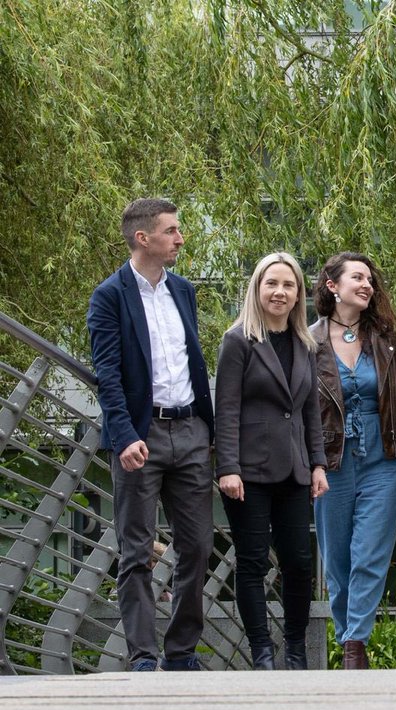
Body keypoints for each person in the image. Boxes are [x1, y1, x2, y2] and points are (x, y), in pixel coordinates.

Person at [87, 198, 214, 671]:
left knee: (198, 545)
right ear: (144, 238)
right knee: (136, 551)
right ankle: (143, 655)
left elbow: (190, 362)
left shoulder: (182, 289)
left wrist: (208, 429)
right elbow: (108, 374)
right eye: (172, 230)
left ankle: (180, 653)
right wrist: (123, 436)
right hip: (143, 435)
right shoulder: (110, 295)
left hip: (192, 431)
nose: (180, 238)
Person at [215, 252, 328, 670]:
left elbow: (310, 410)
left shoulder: (306, 344)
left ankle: (295, 651)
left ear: (299, 293)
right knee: (252, 560)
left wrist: (318, 463)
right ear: (257, 289)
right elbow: (225, 408)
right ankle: (262, 652)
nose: (280, 292)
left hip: (296, 470)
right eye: (271, 284)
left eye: (288, 285)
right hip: (247, 472)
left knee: (299, 562)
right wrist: (227, 467)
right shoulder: (238, 340)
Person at [311, 251, 396, 670]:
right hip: (330, 457)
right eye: (357, 277)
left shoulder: (387, 339)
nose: (367, 285)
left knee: (370, 551)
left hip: (384, 456)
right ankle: (347, 634)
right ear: (333, 286)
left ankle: (355, 646)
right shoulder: (306, 339)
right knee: (337, 556)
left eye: (370, 279)